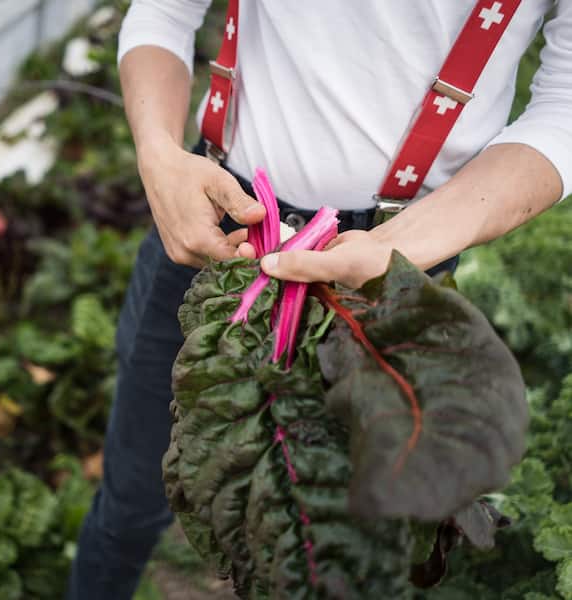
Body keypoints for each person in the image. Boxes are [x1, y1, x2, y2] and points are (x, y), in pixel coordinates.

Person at [66, 2, 571, 599]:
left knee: (337, 547)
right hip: (219, 237)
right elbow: (162, 12)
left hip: (393, 265)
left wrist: (400, 249)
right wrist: (157, 154)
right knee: (129, 499)